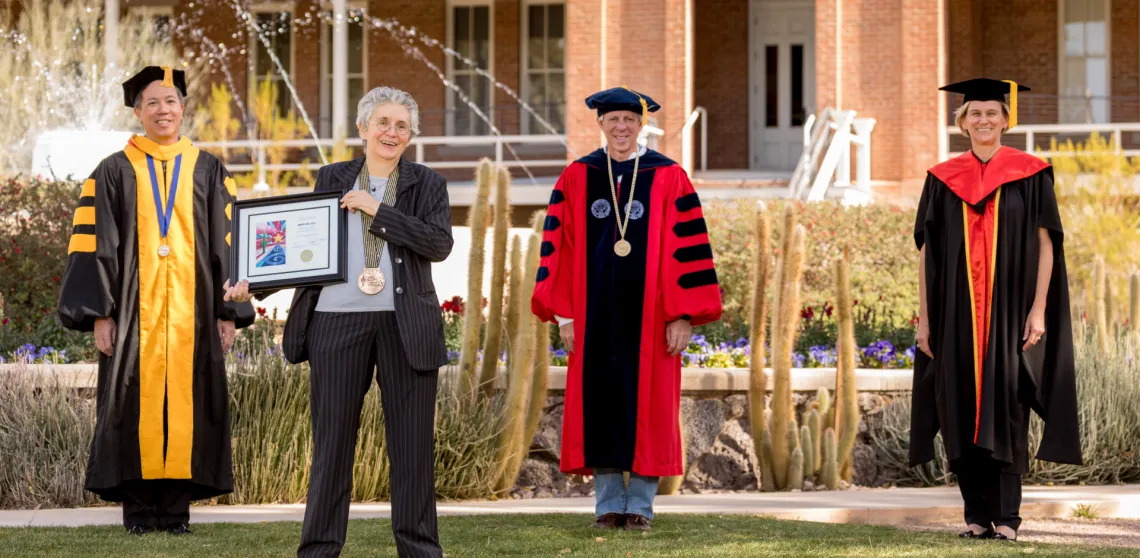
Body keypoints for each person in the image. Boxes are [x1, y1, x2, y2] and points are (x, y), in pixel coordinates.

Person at [225, 86, 452, 558]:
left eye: (401, 126)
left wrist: (378, 211)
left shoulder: (428, 183)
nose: (391, 132)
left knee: (411, 453)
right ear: (363, 128)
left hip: (404, 325)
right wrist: (256, 282)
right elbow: (306, 249)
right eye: (383, 123)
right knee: (331, 448)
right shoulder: (332, 175)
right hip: (335, 322)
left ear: (410, 136)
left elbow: (438, 244)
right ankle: (319, 551)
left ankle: (420, 552)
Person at [56, 65, 255, 535]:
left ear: (183, 108)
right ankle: (141, 513)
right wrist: (100, 315)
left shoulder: (208, 168)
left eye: (171, 101)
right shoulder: (112, 170)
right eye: (152, 103)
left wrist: (229, 313)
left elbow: (227, 243)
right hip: (133, 313)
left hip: (195, 315)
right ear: (137, 111)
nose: (163, 110)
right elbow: (96, 244)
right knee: (132, 404)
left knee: (190, 402)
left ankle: (177, 513)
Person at [531, 87, 723, 531]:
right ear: (600, 123)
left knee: (649, 409)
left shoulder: (668, 175)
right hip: (592, 317)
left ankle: (639, 506)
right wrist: (565, 316)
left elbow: (686, 247)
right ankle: (606, 506)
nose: (621, 127)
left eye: (629, 120)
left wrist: (682, 315)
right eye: (613, 119)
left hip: (652, 319)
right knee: (598, 405)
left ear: (642, 125)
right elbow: (559, 248)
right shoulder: (577, 176)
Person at [911, 78, 1082, 541]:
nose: (984, 120)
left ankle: (1006, 518)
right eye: (975, 114)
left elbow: (1048, 244)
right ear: (962, 123)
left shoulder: (1031, 173)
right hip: (955, 317)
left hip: (1009, 314)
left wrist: (1039, 308)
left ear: (1006, 120)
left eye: (992, 113)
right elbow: (927, 253)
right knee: (958, 407)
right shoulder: (941, 178)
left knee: (1008, 407)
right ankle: (974, 516)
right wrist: (925, 319)